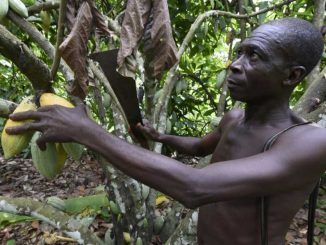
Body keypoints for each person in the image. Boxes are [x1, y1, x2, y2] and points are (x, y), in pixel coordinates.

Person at [6, 18, 326, 245]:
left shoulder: (308, 143)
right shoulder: (234, 118)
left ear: (292, 76)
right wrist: (161, 137)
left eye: (254, 56)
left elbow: (194, 187)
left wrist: (87, 131)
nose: (235, 64)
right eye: (240, 52)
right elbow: (201, 147)